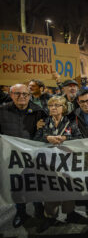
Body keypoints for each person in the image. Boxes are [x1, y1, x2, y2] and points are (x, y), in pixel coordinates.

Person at [34, 95, 83, 232]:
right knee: (50, 189)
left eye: (56, 105)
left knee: (68, 188)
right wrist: (46, 138)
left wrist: (65, 138)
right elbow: (35, 139)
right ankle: (50, 216)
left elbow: (79, 138)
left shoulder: (70, 123)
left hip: (66, 163)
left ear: (64, 108)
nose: (53, 108)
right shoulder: (43, 122)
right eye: (51, 105)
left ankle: (70, 213)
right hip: (48, 163)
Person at [0, 84, 46, 228]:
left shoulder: (39, 111)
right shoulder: (2, 111)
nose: (22, 97)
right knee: (17, 186)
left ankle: (39, 211)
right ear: (10, 94)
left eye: (25, 94)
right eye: (17, 94)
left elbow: (45, 133)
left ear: (30, 95)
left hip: (33, 157)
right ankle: (21, 212)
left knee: (36, 185)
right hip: (11, 158)